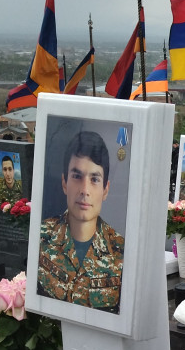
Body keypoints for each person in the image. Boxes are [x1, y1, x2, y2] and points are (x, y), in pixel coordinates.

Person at [37, 130, 125, 311]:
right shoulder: (41, 237)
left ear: (105, 190)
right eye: (77, 176)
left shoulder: (122, 253)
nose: (85, 190)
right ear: (64, 183)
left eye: (94, 179)